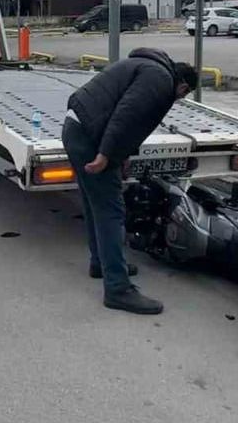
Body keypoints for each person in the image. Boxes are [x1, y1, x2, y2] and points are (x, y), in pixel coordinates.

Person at [63, 48, 197, 315]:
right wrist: (105, 155)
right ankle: (118, 289)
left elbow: (136, 123)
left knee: (94, 204)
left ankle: (101, 263)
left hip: (77, 128)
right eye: (184, 94)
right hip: (91, 138)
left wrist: (122, 155)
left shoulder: (145, 66)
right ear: (182, 85)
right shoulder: (160, 79)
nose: (180, 98)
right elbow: (126, 115)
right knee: (111, 210)